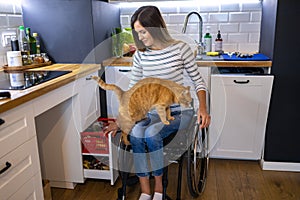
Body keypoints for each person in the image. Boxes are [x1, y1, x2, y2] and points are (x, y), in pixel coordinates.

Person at [104, 5, 210, 200]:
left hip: (179, 112)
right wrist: (120, 121)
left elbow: (198, 81)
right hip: (151, 113)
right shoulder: (141, 55)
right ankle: (145, 191)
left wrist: (203, 108)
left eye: (143, 32)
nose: (141, 37)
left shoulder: (180, 49)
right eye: (138, 33)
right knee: (136, 133)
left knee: (151, 134)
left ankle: (159, 190)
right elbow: (133, 92)